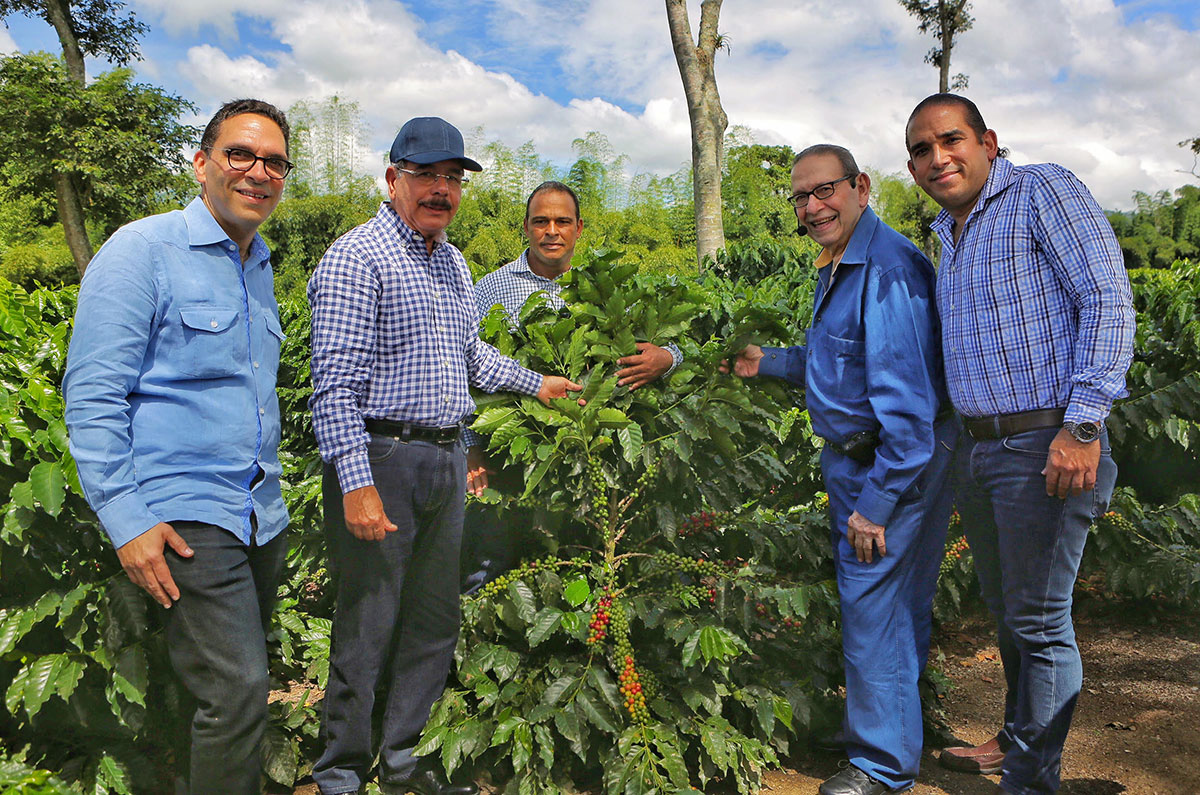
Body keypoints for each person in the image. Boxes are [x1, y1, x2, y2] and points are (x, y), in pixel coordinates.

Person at [308, 117, 581, 795]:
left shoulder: (451, 261)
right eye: (427, 175)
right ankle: (341, 771)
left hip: (445, 458)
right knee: (368, 622)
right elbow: (334, 384)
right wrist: (355, 480)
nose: (441, 189)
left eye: (453, 178)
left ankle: (403, 762)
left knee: (433, 622)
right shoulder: (357, 257)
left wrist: (538, 383)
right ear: (392, 178)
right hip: (383, 457)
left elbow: (470, 355)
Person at [905, 94, 1135, 793]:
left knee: (1038, 622)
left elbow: (1107, 298)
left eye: (951, 140)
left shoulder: (1043, 190)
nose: (937, 157)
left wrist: (1083, 423)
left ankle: (1032, 780)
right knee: (1010, 614)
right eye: (920, 149)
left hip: (1048, 441)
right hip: (983, 451)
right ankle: (1014, 742)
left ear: (988, 142)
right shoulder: (949, 231)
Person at [64, 98, 294, 794]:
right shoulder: (141, 250)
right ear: (201, 163)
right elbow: (93, 392)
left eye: (275, 162)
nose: (258, 171)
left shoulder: (261, 266)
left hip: (259, 512)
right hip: (185, 516)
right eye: (240, 154)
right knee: (237, 692)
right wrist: (125, 517)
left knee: (213, 695)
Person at [725, 144, 955, 795]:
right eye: (800, 197)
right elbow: (838, 366)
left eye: (824, 191)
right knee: (886, 606)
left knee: (874, 603)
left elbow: (909, 416)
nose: (811, 207)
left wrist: (876, 503)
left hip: (888, 464)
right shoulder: (839, 265)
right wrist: (763, 361)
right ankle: (884, 728)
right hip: (857, 459)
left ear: (860, 186)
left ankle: (881, 765)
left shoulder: (889, 270)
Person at [460, 181, 681, 592]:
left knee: (577, 565)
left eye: (562, 222)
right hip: (507, 458)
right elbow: (462, 373)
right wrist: (470, 447)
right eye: (541, 221)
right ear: (525, 227)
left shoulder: (602, 287)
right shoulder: (490, 289)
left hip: (589, 462)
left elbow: (674, 345)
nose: (552, 231)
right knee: (491, 562)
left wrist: (667, 358)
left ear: (579, 228)